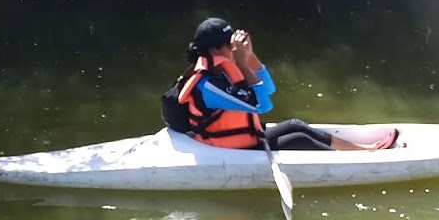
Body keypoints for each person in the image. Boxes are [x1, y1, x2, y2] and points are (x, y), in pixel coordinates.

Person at [161, 17, 397, 151]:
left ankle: (361, 151)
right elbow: (262, 106)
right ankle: (365, 156)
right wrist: (243, 64)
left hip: (250, 137)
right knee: (299, 140)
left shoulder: (222, 72)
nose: (234, 49)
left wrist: (250, 57)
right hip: (228, 148)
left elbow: (269, 88)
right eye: (229, 45)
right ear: (213, 50)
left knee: (296, 125)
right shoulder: (208, 85)